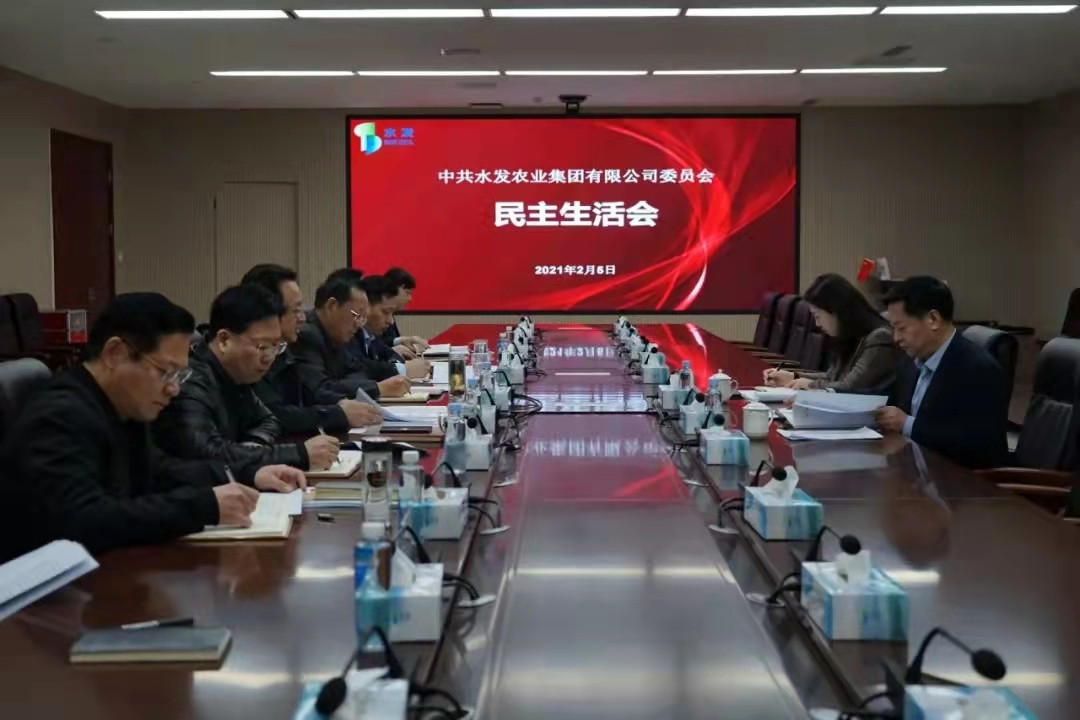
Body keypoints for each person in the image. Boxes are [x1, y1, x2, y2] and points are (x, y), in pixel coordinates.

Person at [0, 293, 306, 561]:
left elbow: (160, 471)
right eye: (166, 372)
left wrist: (249, 473)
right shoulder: (61, 415)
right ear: (114, 353)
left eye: (180, 375)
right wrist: (204, 507)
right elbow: (85, 521)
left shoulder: (121, 406)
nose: (174, 389)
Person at [154, 284, 341, 475]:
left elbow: (269, 420)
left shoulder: (236, 374)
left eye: (276, 346)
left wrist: (252, 449)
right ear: (224, 340)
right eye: (262, 346)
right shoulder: (190, 381)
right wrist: (297, 454)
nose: (269, 357)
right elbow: (206, 452)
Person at [875, 276, 1009, 469]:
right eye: (893, 329)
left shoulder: (978, 369)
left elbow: (977, 445)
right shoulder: (915, 359)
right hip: (915, 468)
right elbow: (886, 395)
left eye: (901, 328)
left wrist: (908, 425)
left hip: (958, 481)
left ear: (933, 320)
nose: (896, 338)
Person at [241, 264, 381, 435]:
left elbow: (310, 392)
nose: (302, 318)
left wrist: (341, 404)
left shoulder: (282, 348)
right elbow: (275, 414)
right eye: (295, 310)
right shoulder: (249, 357)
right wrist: (338, 414)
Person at [764, 273, 903, 394]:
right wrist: (793, 377)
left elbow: (849, 388)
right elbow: (832, 377)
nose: (817, 324)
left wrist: (810, 385)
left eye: (818, 316)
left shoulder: (879, 338)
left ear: (836, 312)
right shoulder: (849, 336)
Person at [294, 275, 411, 401]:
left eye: (362, 317)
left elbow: (357, 372)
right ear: (332, 306)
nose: (359, 324)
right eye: (356, 315)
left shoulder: (335, 334)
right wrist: (377, 388)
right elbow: (319, 390)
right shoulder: (306, 334)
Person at [355, 275, 430, 381]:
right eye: (385, 312)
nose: (390, 321)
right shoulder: (348, 335)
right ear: (364, 308)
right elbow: (358, 368)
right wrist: (403, 369)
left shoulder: (370, 335)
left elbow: (387, 353)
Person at [382, 267, 428, 359]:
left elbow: (387, 342)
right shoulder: (377, 314)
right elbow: (375, 345)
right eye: (407, 293)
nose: (410, 299)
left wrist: (401, 342)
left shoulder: (391, 313)